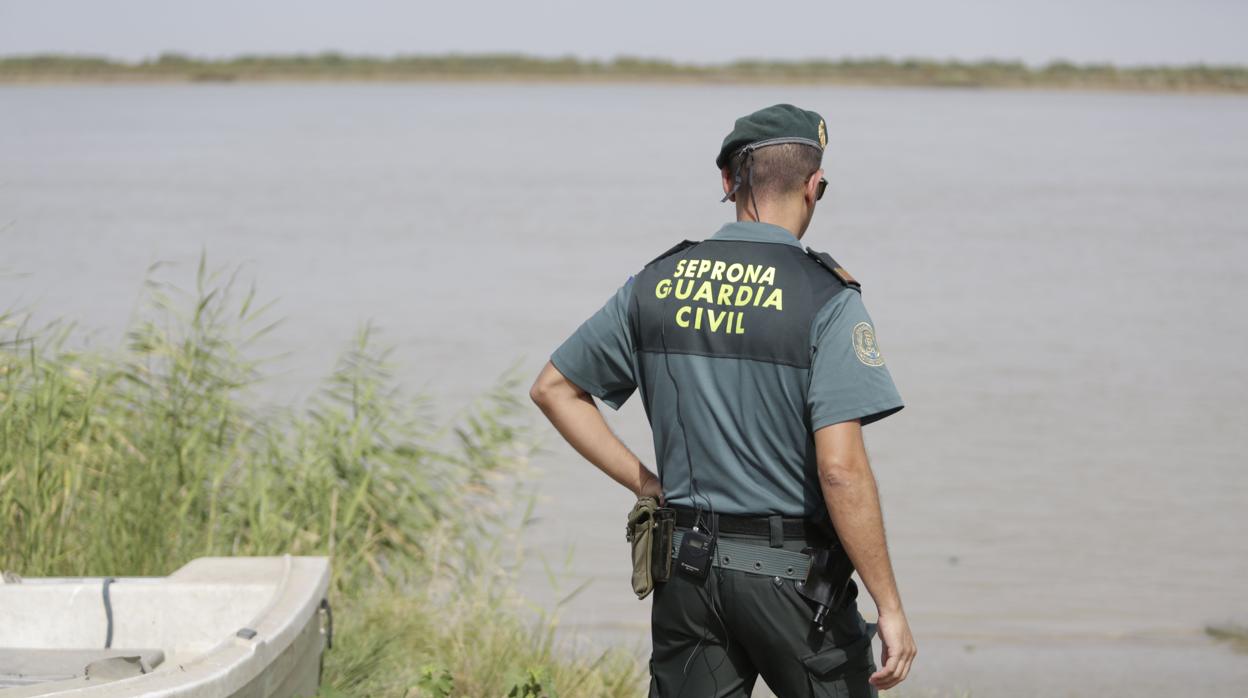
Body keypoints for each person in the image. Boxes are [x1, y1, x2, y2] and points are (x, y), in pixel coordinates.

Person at [530, 104, 916, 697]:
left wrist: (646, 484)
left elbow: (554, 389)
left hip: (687, 576)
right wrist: (888, 605)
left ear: (726, 181)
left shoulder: (657, 283)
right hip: (796, 586)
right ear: (815, 187)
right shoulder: (827, 299)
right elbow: (840, 470)